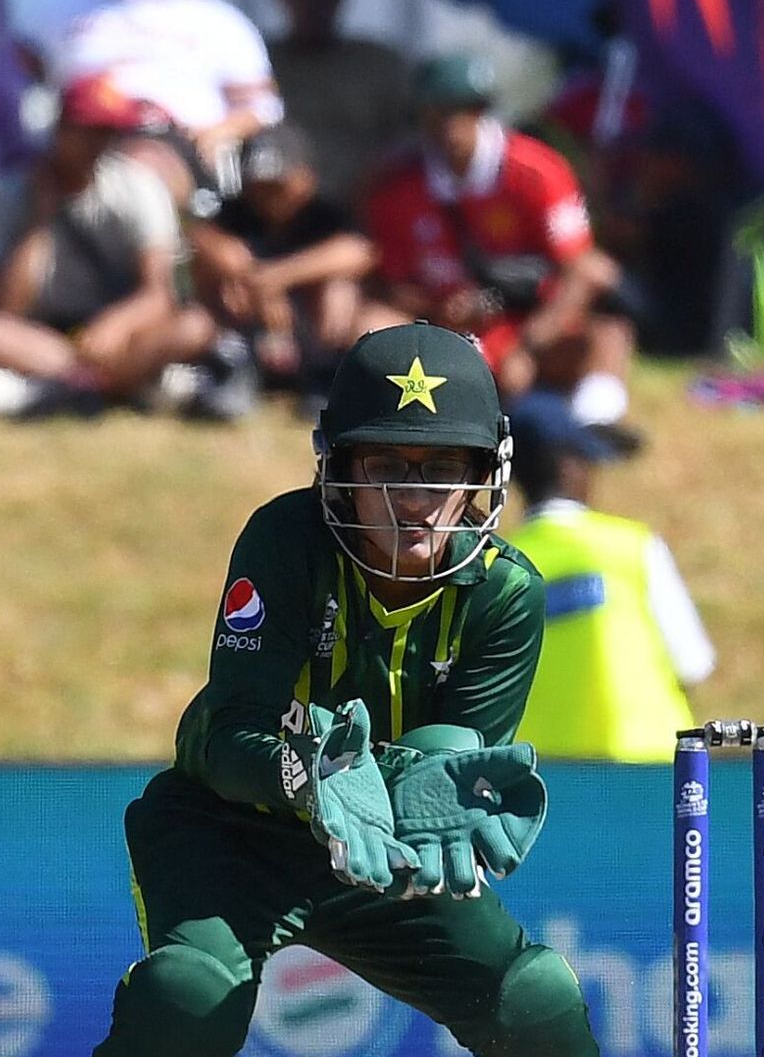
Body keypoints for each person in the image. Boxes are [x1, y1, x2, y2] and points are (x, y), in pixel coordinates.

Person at [92, 322, 599, 1056]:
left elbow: (446, 769)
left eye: (443, 469)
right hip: (231, 829)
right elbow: (228, 733)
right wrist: (306, 779)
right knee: (191, 995)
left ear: (484, 477)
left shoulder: (503, 593)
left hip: (381, 845)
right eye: (388, 467)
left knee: (532, 996)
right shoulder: (285, 540)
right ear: (338, 469)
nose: (415, 501)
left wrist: (428, 788)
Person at [362, 53, 637, 432]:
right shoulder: (397, 186)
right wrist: (440, 308)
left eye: (466, 110)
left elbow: (580, 268)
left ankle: (595, 425)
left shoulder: (538, 171)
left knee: (608, 336)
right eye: (439, 112)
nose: (451, 126)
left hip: (531, 321)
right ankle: (381, 415)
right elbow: (391, 282)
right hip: (440, 328)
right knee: (372, 323)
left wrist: (529, 343)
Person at [0, 74, 226, 419]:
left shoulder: (138, 187)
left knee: (195, 325)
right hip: (41, 337)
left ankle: (64, 389)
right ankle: (114, 385)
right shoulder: (7, 196)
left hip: (121, 335)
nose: (99, 143)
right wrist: (39, 222)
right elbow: (4, 308)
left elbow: (158, 292)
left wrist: (115, 325)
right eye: (90, 130)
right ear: (61, 128)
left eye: (109, 132)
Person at [503, 391, 713, 763]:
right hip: (645, 763)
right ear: (571, 466)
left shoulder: (501, 567)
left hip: (541, 775)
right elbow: (692, 663)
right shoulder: (632, 548)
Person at [44, 0, 283, 202]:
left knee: (140, 169)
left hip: (169, 143)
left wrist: (219, 132)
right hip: (79, 136)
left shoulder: (219, 20)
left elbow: (263, 105)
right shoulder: (68, 11)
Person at [188, 122, 379, 400]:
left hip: (309, 328)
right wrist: (242, 271)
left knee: (338, 288)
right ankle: (234, 367)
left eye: (278, 186)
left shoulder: (325, 215)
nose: (268, 197)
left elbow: (359, 252)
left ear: (306, 177)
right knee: (215, 273)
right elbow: (201, 237)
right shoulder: (237, 213)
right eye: (259, 185)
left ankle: (326, 375)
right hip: (252, 326)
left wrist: (276, 277)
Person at [266, 0, 412, 204]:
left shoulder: (378, 64)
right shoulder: (259, 60)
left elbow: (413, 140)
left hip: (361, 209)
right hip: (276, 210)